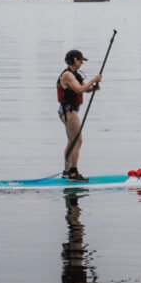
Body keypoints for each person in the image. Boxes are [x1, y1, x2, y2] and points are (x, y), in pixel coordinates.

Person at [57, 48, 102, 182]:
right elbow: (79, 89)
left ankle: (66, 172)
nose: (82, 63)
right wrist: (93, 79)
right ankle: (73, 173)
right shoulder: (67, 75)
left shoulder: (76, 75)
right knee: (77, 141)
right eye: (81, 60)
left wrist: (93, 87)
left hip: (71, 111)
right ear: (75, 60)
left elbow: (85, 89)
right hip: (68, 111)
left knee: (72, 142)